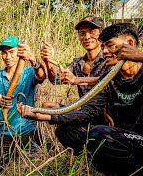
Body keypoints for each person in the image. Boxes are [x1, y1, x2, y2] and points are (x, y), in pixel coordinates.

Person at [18, 23, 143, 175]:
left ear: (129, 44)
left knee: (100, 134)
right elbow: (87, 110)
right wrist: (41, 115)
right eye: (103, 47)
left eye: (110, 46)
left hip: (137, 139)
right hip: (117, 134)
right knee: (67, 130)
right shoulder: (108, 77)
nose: (104, 52)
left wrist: (139, 56)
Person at [0, 35, 47, 175]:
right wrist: (1, 101)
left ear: (19, 52)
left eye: (11, 52)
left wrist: (32, 59)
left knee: (32, 170)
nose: (7, 56)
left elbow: (42, 75)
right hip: (4, 134)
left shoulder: (29, 72)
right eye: (4, 52)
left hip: (27, 132)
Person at [41, 16, 111, 108]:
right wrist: (48, 60)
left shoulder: (110, 59)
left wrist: (77, 80)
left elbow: (110, 80)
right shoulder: (77, 63)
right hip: (84, 112)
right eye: (82, 33)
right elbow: (56, 80)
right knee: (47, 106)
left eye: (92, 31)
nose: (87, 37)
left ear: (101, 34)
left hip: (107, 113)